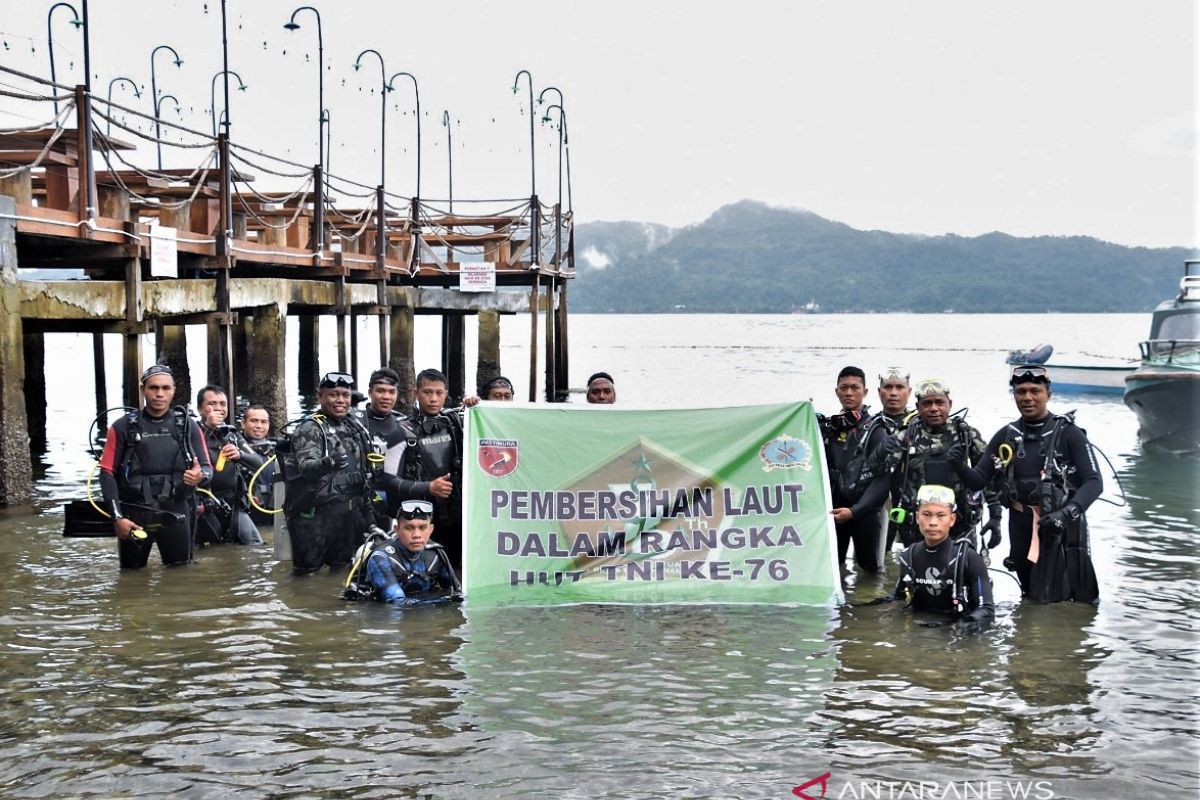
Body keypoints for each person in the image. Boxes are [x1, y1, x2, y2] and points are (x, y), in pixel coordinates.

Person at [954, 366, 1103, 603]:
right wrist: (958, 465)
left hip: (1058, 526)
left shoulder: (1068, 433)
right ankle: (1028, 638)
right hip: (1020, 524)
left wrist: (1066, 514)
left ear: (1049, 394)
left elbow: (1094, 482)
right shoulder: (1007, 435)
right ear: (1014, 395)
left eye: (1035, 390)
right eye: (1020, 391)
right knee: (1029, 595)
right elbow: (980, 479)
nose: (1027, 397)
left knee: (1062, 597)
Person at [97, 364, 212, 569]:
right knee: (131, 578)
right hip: (134, 512)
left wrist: (199, 476)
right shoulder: (123, 427)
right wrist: (117, 518)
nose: (160, 394)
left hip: (176, 510)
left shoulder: (187, 426)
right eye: (153, 388)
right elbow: (106, 473)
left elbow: (207, 468)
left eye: (166, 388)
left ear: (173, 391)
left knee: (180, 575)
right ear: (143, 390)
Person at [884, 378, 1002, 552]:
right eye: (927, 404)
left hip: (961, 525)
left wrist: (995, 517)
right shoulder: (906, 436)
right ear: (918, 407)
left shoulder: (966, 435)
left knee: (963, 574)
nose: (934, 409)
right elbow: (884, 476)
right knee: (915, 577)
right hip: (917, 528)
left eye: (940, 402)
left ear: (950, 404)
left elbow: (987, 478)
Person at [283, 371, 377, 575]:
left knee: (342, 569)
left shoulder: (354, 426)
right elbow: (307, 468)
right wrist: (328, 463)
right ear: (319, 397)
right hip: (313, 517)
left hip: (347, 515)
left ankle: (334, 607)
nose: (340, 400)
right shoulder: (310, 428)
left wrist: (368, 517)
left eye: (345, 395)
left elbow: (365, 473)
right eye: (334, 395)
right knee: (306, 575)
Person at [384, 368, 466, 571]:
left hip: (455, 514)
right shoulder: (400, 431)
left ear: (446, 394)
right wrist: (428, 487)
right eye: (427, 392)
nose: (433, 398)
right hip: (419, 517)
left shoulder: (457, 424)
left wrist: (474, 405)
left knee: (454, 570)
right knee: (423, 570)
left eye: (439, 393)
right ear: (415, 393)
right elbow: (387, 479)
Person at [886, 484, 994, 632]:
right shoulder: (908, 557)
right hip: (919, 631)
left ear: (952, 519)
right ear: (918, 517)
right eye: (926, 514)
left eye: (941, 515)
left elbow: (986, 610)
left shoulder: (969, 559)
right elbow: (897, 600)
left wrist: (954, 628)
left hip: (955, 635)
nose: (933, 522)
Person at [822, 366, 890, 573]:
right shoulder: (828, 429)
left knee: (870, 573)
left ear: (865, 392)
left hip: (865, 512)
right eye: (844, 388)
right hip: (834, 512)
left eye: (854, 388)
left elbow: (883, 480)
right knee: (833, 569)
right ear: (836, 391)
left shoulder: (877, 431)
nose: (849, 393)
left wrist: (855, 511)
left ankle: (868, 605)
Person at [350, 499, 462, 605]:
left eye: (422, 528)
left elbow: (457, 591)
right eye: (409, 528)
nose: (416, 535)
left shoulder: (436, 555)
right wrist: (444, 601)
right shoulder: (381, 559)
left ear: (431, 529)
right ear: (397, 529)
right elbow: (397, 603)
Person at [195, 385, 265, 546]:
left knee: (255, 546)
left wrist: (239, 455)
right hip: (204, 503)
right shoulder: (192, 432)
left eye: (223, 404)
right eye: (212, 404)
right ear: (200, 409)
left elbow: (258, 463)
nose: (218, 408)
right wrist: (209, 427)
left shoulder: (231, 434)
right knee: (209, 553)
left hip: (232, 504)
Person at [350, 367, 409, 527]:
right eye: (380, 391)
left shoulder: (403, 425)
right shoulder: (353, 422)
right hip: (360, 501)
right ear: (370, 392)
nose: (386, 397)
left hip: (393, 501)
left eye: (391, 392)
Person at [241, 404, 278, 525]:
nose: (259, 426)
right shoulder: (234, 449)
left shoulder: (276, 449)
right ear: (243, 423)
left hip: (273, 510)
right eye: (254, 421)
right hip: (246, 512)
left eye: (263, 422)